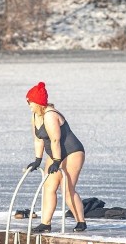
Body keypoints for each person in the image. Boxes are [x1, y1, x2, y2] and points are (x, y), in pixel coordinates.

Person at [24, 82, 87, 233]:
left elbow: (55, 140)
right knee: (48, 187)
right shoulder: (35, 115)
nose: (28, 105)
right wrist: (38, 160)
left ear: (38, 102)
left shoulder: (50, 115)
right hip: (55, 153)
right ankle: (46, 223)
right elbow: (38, 139)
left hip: (72, 152)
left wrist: (57, 161)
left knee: (66, 189)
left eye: (30, 102)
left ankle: (81, 221)